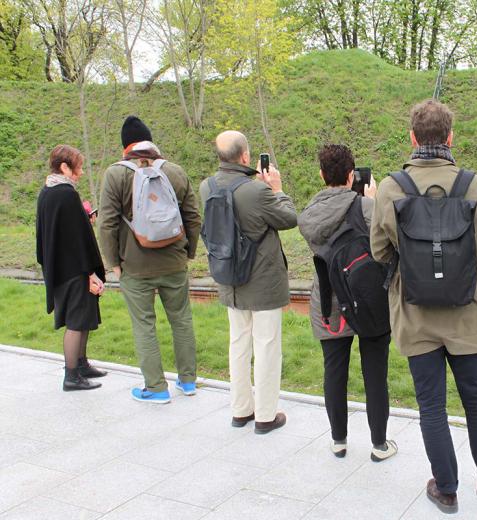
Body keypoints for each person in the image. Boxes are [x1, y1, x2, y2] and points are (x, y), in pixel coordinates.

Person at [370, 100, 477, 513]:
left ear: (413, 138)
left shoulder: (391, 187)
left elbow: (379, 251)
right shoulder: (473, 184)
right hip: (467, 312)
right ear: (450, 137)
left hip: (415, 314)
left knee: (431, 406)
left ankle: (447, 489)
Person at [298, 144, 397, 461]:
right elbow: (389, 242)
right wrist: (375, 201)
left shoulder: (309, 215)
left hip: (329, 303)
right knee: (375, 373)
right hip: (369, 300)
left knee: (334, 371)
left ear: (321, 175)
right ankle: (379, 444)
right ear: (352, 175)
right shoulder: (368, 207)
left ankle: (338, 441)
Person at [98, 116, 201, 404]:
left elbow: (106, 223)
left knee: (144, 325)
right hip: (174, 261)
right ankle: (188, 381)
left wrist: (113, 263)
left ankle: (156, 388)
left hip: (134, 265)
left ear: (125, 147)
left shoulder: (115, 174)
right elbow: (193, 217)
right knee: (181, 320)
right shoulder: (174, 171)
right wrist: (188, 252)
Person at [199, 131, 297, 434]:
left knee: (238, 344)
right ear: (244, 156)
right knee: (266, 346)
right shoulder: (256, 191)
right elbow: (289, 218)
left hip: (229, 277)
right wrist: (277, 189)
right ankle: (266, 415)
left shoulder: (207, 187)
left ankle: (241, 410)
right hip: (262, 279)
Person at [36, 144, 107, 391]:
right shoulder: (66, 194)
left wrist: (83, 219)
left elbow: (58, 232)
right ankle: (72, 375)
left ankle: (81, 364)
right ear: (65, 167)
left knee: (82, 317)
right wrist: (90, 273)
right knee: (76, 321)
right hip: (74, 269)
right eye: (78, 167)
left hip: (60, 267)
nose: (81, 172)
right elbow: (77, 239)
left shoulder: (47, 191)